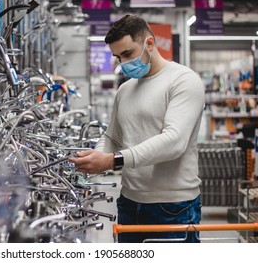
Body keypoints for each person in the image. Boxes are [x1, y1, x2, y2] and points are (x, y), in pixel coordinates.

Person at [69, 14, 205, 243]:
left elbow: (174, 142)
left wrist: (113, 161)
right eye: (117, 57)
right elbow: (113, 135)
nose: (123, 62)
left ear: (149, 43)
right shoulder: (126, 90)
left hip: (172, 208)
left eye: (128, 53)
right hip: (129, 203)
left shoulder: (183, 80)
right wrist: (96, 156)